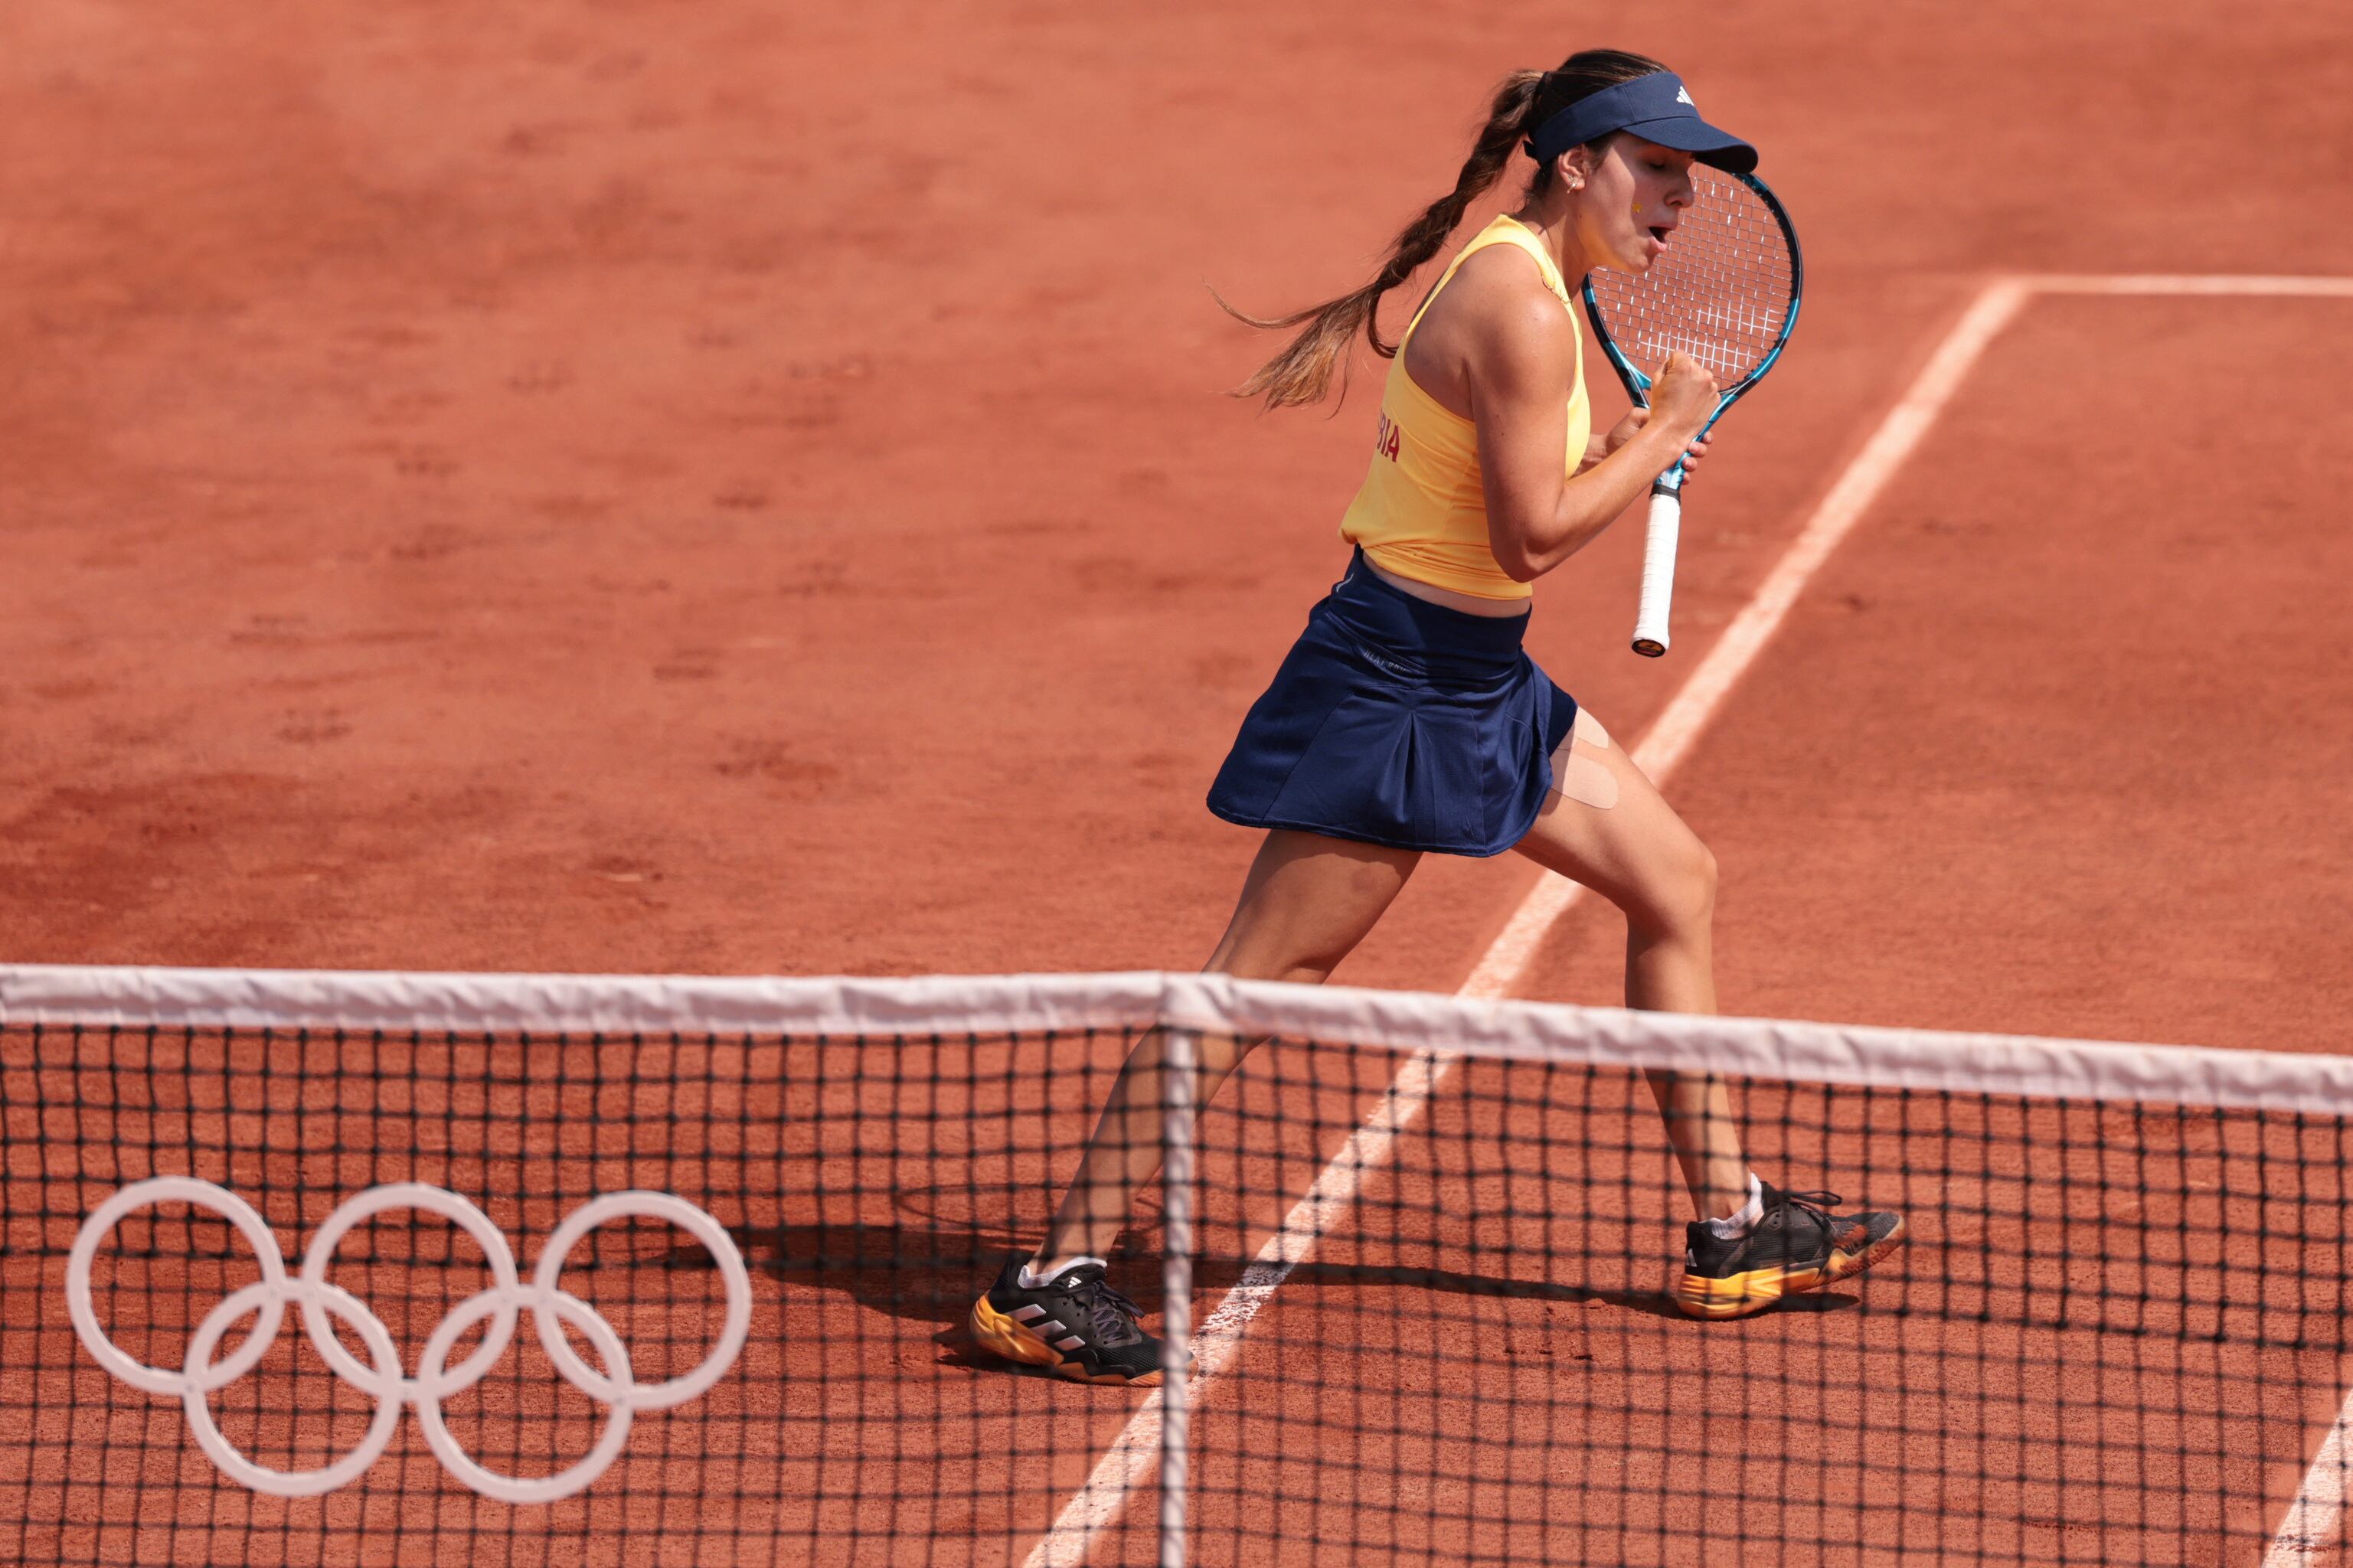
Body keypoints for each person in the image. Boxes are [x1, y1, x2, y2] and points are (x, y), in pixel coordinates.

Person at [970, 50, 1904, 1384]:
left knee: (1673, 883)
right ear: (1575, 163)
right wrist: (1655, 442)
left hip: (1481, 686)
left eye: (1686, 181)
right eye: (1656, 170)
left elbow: (1496, 493)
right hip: (1392, 691)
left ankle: (1735, 1227)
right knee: (1259, 977)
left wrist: (1614, 451)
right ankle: (1048, 1276)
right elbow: (1527, 539)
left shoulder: (1540, 280)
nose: (1676, 202)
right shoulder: (1522, 307)